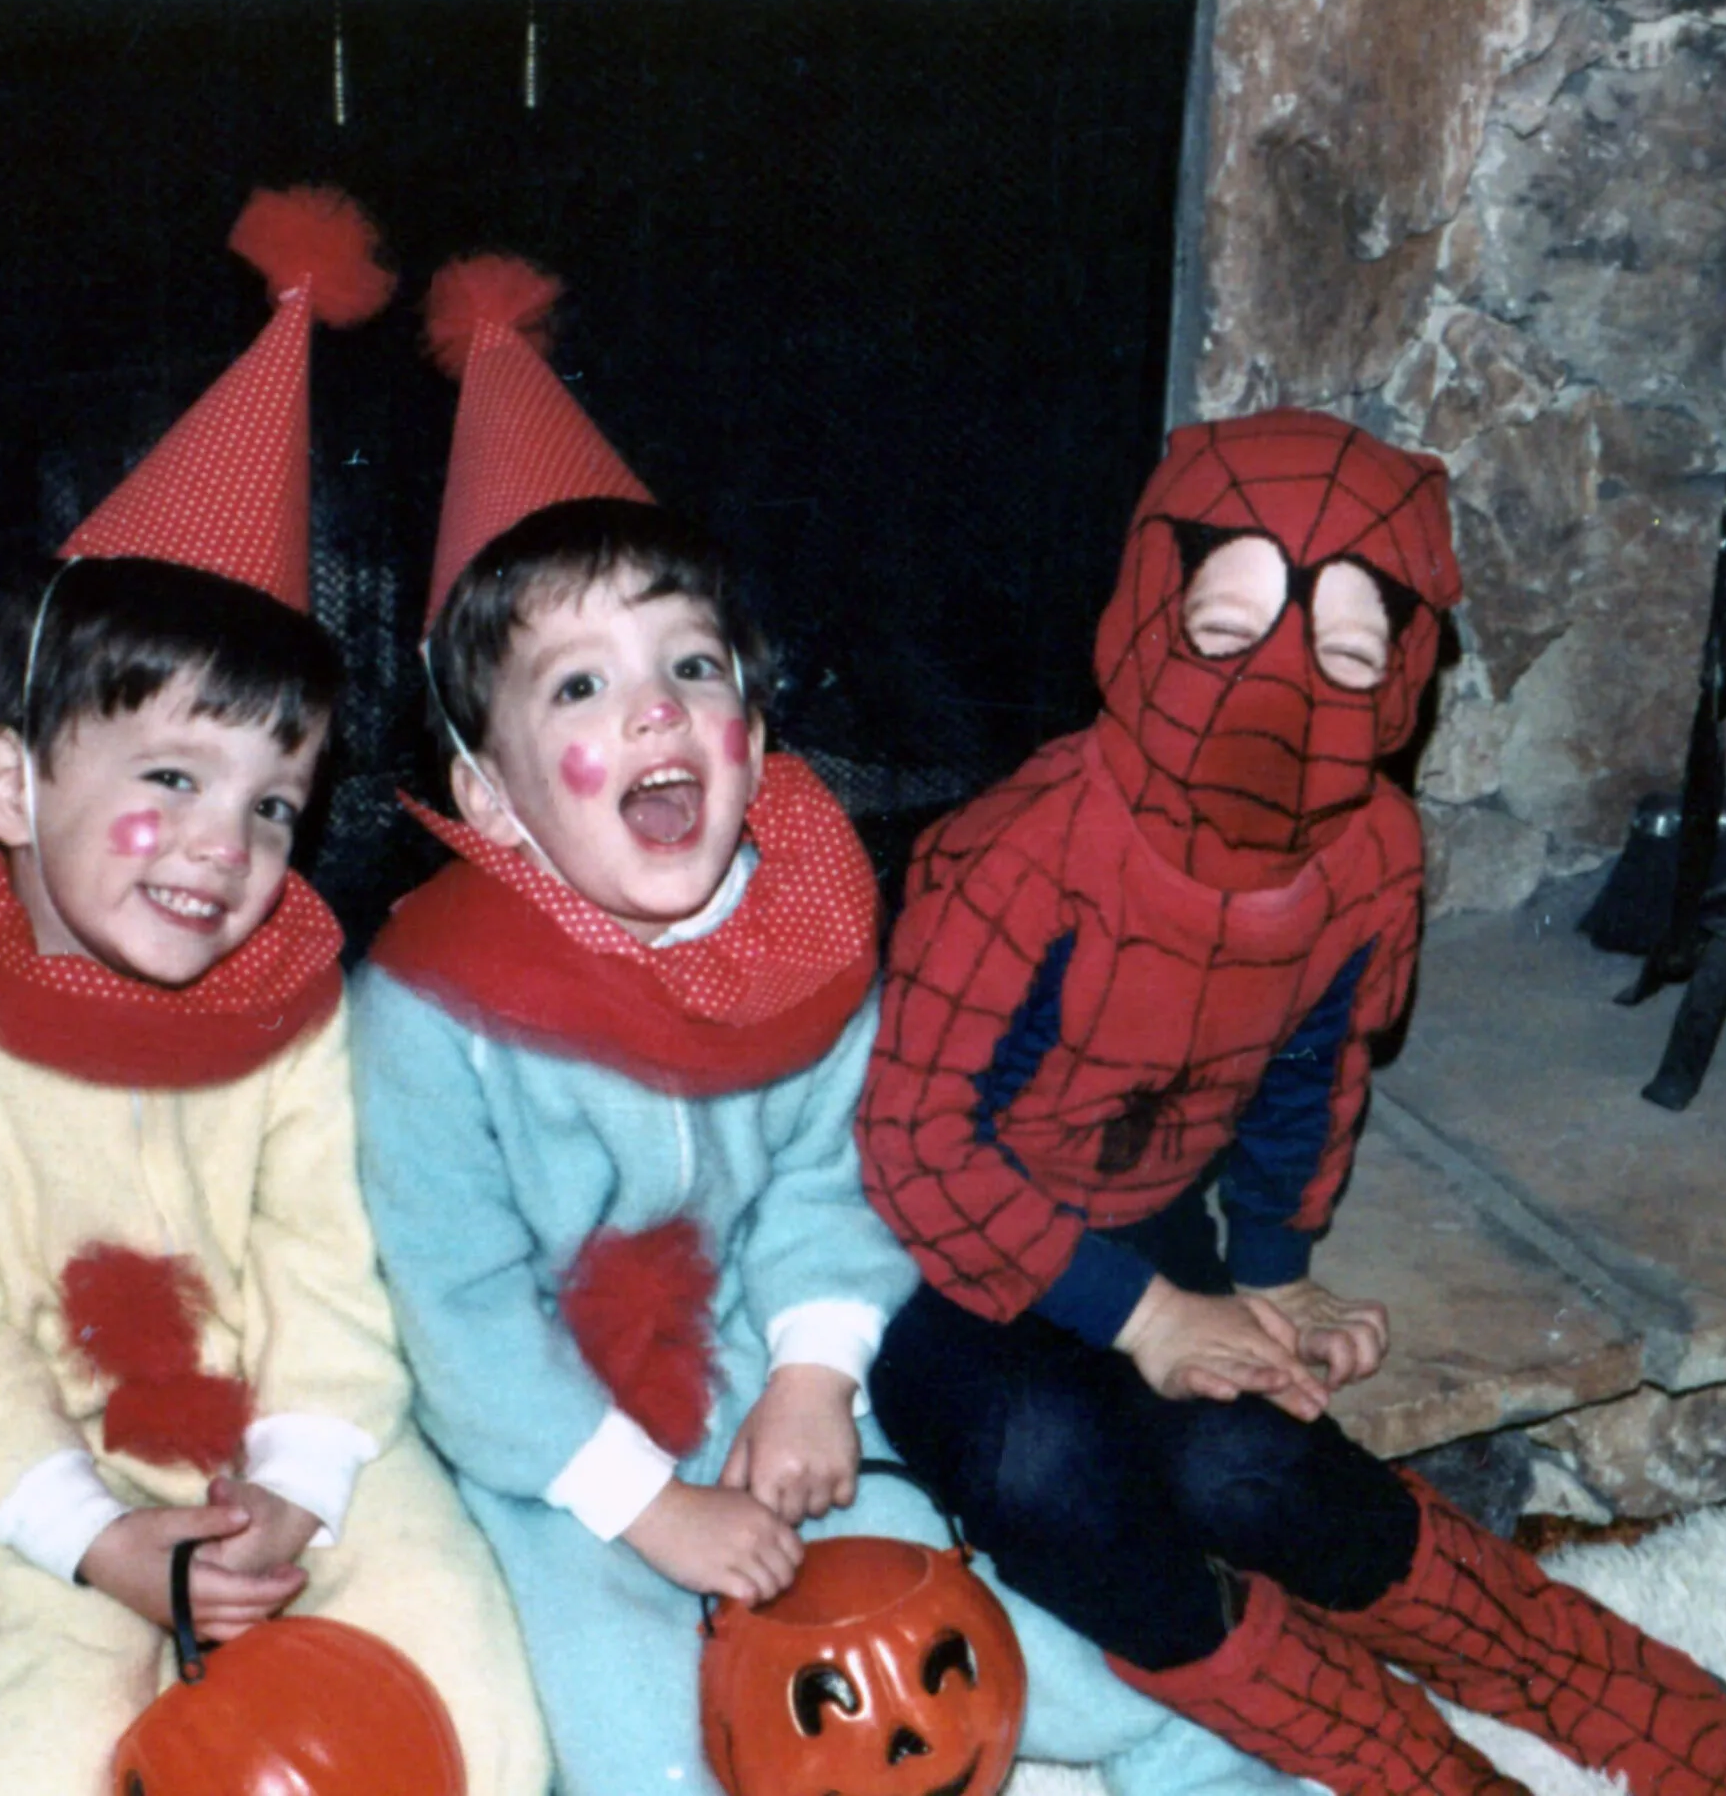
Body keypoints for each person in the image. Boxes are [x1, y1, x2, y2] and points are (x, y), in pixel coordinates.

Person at [351, 254, 1301, 1796]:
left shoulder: (799, 934)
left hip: (759, 1374)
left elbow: (840, 1171)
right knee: (631, 1730)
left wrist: (811, 1369)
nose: (654, 710)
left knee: (959, 1632)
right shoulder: (432, 1012)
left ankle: (1200, 1756)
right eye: (580, 687)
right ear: (490, 800)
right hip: (549, 1452)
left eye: (692, 666)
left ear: (755, 730)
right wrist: (649, 1510)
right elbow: (459, 1308)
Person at [857, 407, 1726, 1796]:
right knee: (1050, 1468)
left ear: (1402, 683)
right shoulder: (1022, 855)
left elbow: (1309, 1076)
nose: (1280, 695)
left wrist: (1273, 1275)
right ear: (1150, 615)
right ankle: (1406, 1764)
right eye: (1226, 633)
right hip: (928, 1269)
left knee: (1246, 1465)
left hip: (1152, 1218)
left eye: (1344, 656)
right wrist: (1151, 1321)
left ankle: (1573, 1668)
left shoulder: (1374, 857)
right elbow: (916, 1148)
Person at [0, 189, 546, 1796]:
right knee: (37, 1759)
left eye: (273, 802)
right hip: (7, 1484)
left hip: (286, 1436)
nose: (225, 846)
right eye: (172, 775)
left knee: (474, 1716)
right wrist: (90, 1533)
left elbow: (336, 1262)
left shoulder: (294, 1006)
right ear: (9, 779)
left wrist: (309, 1473)